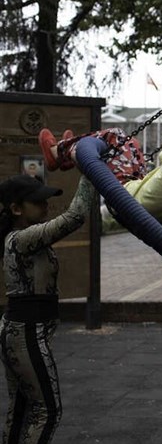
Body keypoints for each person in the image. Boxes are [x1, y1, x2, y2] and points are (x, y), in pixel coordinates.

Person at [38, 120, 162, 265]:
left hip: (123, 195)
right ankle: (71, 150)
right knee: (133, 147)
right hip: (138, 205)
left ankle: (58, 153)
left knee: (116, 136)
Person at [0, 174, 95, 443]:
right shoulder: (20, 239)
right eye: (37, 201)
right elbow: (75, 217)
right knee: (47, 411)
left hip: (22, 331)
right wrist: (90, 172)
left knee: (22, 408)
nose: (45, 206)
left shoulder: (23, 239)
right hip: (26, 332)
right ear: (17, 209)